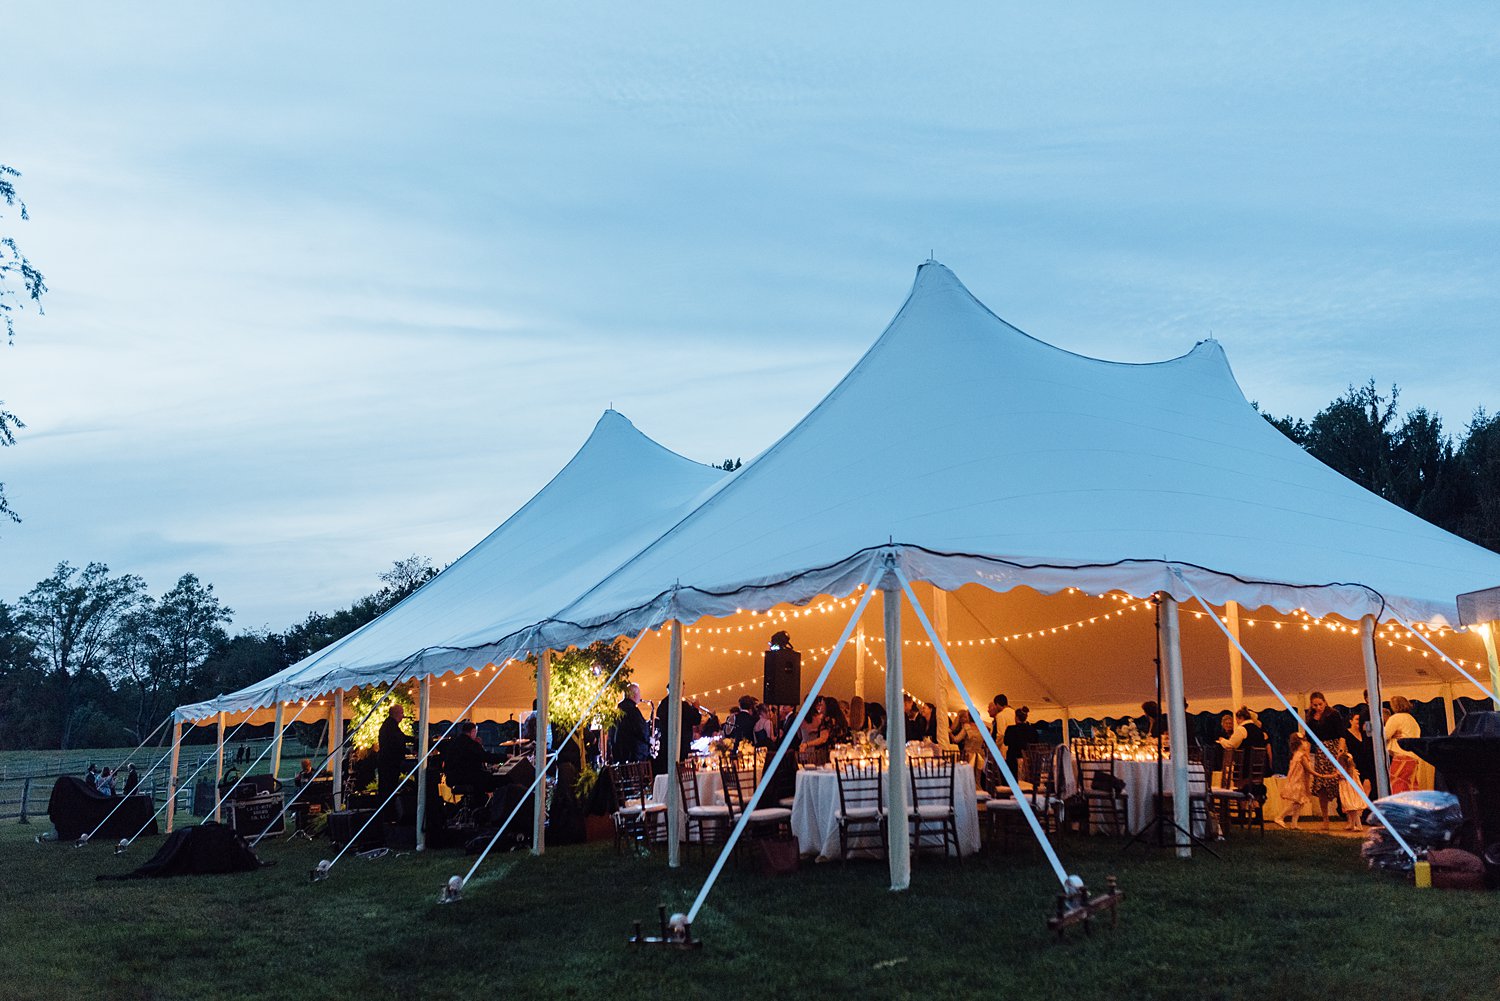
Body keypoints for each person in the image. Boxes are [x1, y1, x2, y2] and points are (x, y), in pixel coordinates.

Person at [1305, 692, 1347, 830]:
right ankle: (1325, 818)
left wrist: (1340, 752)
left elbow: (1342, 734)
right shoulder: (1311, 718)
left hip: (1334, 748)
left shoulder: (1333, 714)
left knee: (1340, 782)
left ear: (1325, 702)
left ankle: (1349, 816)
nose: (1318, 707)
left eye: (1320, 704)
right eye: (1315, 705)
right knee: (1322, 784)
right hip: (1321, 751)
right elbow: (1308, 738)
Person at [439, 721, 505, 796]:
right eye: (475, 732)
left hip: (452, 778)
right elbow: (486, 757)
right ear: (473, 731)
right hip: (467, 777)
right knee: (497, 780)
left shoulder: (453, 743)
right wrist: (504, 757)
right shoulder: (471, 744)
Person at [652, 688, 701, 776]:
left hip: (666, 745)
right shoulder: (682, 705)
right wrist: (696, 708)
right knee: (680, 772)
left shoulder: (662, 704)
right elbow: (696, 719)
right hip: (681, 744)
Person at [1384, 695, 1422, 794]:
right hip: (1413, 757)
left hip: (1401, 756)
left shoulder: (1395, 718)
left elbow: (1384, 735)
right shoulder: (1412, 720)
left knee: (1397, 783)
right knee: (1410, 786)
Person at [376, 704, 411, 803]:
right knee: (388, 789)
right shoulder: (391, 726)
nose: (403, 716)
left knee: (386, 789)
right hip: (389, 764)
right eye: (402, 713)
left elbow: (400, 738)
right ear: (397, 714)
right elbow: (397, 742)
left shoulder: (390, 725)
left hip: (387, 763)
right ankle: (388, 812)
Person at [1277, 732, 1312, 828]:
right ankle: (1280, 817)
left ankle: (1294, 823)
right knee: (1297, 802)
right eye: (1303, 741)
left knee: (1300, 802)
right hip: (1298, 781)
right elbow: (1308, 770)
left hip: (1299, 780)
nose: (1306, 743)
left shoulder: (1298, 754)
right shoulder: (1300, 756)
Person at [611, 683, 652, 763]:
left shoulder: (617, 710)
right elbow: (641, 730)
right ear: (633, 695)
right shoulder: (633, 710)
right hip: (634, 755)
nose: (640, 697)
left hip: (619, 754)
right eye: (639, 694)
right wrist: (649, 739)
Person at [1002, 706, 1038, 778]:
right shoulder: (1033, 730)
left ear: (1016, 717)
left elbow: (1005, 742)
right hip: (1029, 763)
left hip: (1012, 762)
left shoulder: (1011, 729)